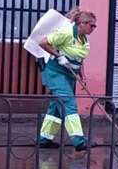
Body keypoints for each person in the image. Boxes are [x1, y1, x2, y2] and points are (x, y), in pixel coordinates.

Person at [36, 8, 98, 151]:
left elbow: (79, 59)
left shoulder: (83, 39)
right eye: (91, 25)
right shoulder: (66, 33)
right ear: (82, 23)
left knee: (56, 108)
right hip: (55, 73)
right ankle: (79, 140)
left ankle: (45, 138)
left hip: (70, 75)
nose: (94, 28)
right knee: (69, 103)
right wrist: (59, 56)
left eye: (95, 26)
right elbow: (43, 43)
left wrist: (83, 76)